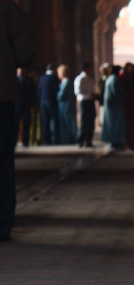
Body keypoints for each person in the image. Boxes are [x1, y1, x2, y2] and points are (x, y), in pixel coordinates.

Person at [1, 0, 35, 242]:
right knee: (2, 163)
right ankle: (2, 226)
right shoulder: (6, 9)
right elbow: (26, 53)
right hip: (1, 98)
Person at [101, 65, 125, 150]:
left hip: (110, 105)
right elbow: (117, 91)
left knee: (111, 123)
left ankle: (113, 141)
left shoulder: (109, 78)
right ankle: (115, 141)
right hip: (115, 105)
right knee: (115, 124)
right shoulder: (115, 79)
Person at [74, 62, 97, 147]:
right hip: (83, 102)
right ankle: (80, 141)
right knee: (83, 122)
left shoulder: (90, 79)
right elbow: (78, 91)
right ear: (86, 69)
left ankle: (88, 141)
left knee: (91, 122)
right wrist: (89, 94)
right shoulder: (80, 79)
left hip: (90, 101)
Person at [38, 63, 59, 145]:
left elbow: (39, 90)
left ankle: (47, 140)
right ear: (53, 69)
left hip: (43, 101)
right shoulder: (53, 78)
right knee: (54, 120)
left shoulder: (42, 78)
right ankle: (56, 139)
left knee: (45, 121)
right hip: (51, 101)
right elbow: (56, 89)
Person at [56, 64, 77, 145]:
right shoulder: (64, 82)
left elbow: (61, 95)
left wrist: (57, 95)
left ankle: (71, 138)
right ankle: (67, 138)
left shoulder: (67, 82)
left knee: (68, 122)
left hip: (66, 106)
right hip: (64, 105)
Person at [15, 67, 36, 147]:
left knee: (26, 124)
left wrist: (33, 105)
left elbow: (33, 93)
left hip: (26, 105)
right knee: (15, 125)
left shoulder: (29, 80)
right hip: (17, 105)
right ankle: (14, 141)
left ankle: (25, 141)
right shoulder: (14, 79)